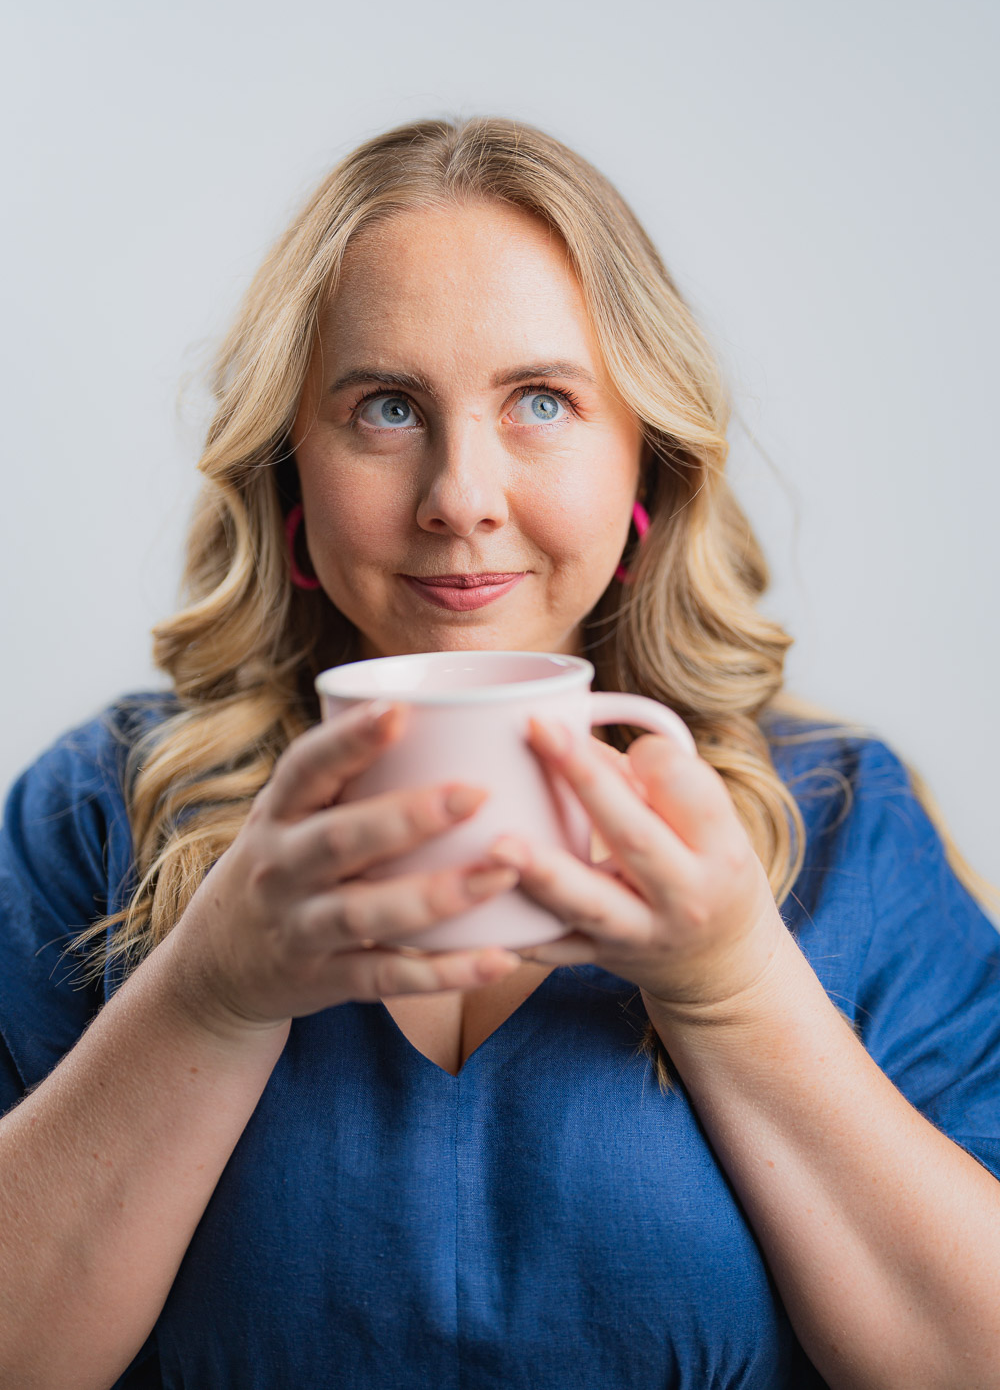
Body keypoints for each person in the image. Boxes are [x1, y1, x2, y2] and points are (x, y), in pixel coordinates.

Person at [1, 115, 999, 1390]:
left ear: (645, 455)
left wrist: (734, 989)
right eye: (385, 407)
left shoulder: (844, 824)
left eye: (541, 401)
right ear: (290, 469)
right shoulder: (99, 815)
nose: (459, 495)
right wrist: (210, 994)